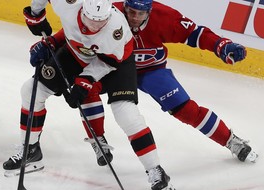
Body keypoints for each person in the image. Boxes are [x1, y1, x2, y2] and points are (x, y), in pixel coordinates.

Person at [2, 0, 175, 190]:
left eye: (99, 23)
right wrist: (35, 13)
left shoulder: (115, 29)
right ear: (82, 8)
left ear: (108, 16)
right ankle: (30, 149)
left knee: (126, 114)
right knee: (31, 90)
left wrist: (85, 80)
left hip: (114, 62)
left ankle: (155, 170)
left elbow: (109, 62)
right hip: (77, 53)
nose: (93, 27)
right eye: (90, 20)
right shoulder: (69, 3)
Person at [96, 0, 256, 163]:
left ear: (149, 11)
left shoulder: (164, 16)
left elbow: (195, 34)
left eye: (141, 13)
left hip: (151, 71)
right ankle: (97, 138)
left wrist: (221, 45)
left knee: (186, 110)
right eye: (131, 12)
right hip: (115, 70)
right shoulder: (108, 14)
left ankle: (230, 140)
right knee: (85, 89)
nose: (135, 18)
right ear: (124, 7)